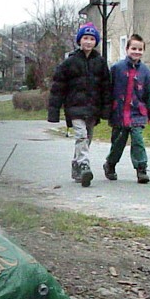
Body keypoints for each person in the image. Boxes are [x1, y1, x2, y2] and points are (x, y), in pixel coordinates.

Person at [47, 22, 111, 187]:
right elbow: (58, 87)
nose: (88, 42)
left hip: (93, 108)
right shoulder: (70, 62)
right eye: (85, 38)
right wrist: (53, 112)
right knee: (81, 135)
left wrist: (106, 109)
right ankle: (84, 165)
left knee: (87, 138)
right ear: (79, 40)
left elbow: (106, 88)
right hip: (74, 108)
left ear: (95, 41)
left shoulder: (101, 63)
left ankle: (76, 165)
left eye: (91, 39)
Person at [104, 34, 150, 184]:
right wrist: (105, 108)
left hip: (138, 112)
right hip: (119, 112)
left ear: (143, 51)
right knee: (118, 141)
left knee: (138, 140)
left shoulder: (146, 72)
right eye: (133, 48)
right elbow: (107, 89)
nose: (136, 51)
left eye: (140, 49)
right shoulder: (116, 68)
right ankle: (110, 164)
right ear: (127, 49)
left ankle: (141, 169)